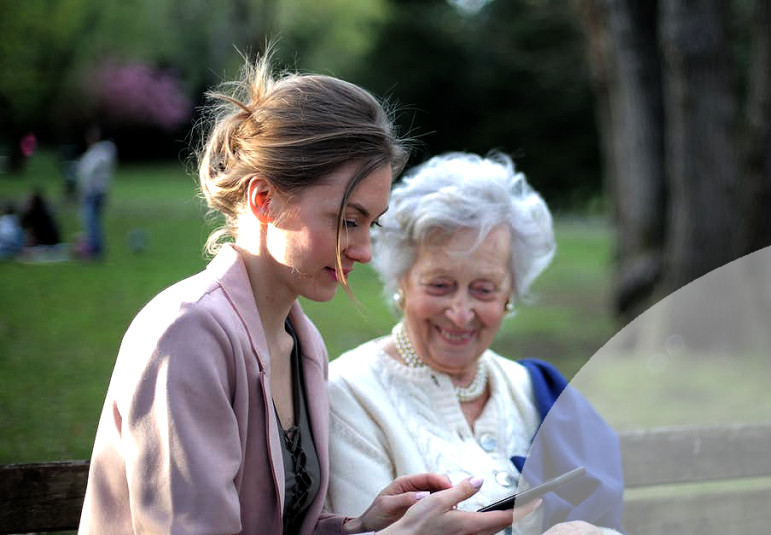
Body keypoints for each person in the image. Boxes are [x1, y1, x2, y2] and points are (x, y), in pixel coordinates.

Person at [79, 53, 526, 535]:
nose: (364, 251)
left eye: (372, 224)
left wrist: (358, 526)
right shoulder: (186, 335)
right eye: (347, 221)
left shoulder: (302, 342)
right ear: (264, 199)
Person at [325, 152, 625, 534]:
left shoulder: (532, 390)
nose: (460, 312)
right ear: (402, 281)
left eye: (483, 289)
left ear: (509, 294)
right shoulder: (349, 396)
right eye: (440, 285)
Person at [76, 124, 117, 258]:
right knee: (93, 221)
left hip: (94, 192)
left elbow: (88, 172)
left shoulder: (99, 153)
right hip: (97, 191)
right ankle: (94, 247)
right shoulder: (101, 153)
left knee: (91, 221)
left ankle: (95, 248)